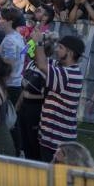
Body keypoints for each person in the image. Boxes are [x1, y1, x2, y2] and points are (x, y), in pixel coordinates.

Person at [33, 34, 85, 162]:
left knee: (54, 179)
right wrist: (48, 42)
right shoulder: (61, 67)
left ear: (70, 52)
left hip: (59, 141)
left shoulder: (69, 74)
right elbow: (38, 59)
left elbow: (41, 65)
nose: (57, 50)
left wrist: (38, 43)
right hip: (49, 137)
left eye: (60, 47)